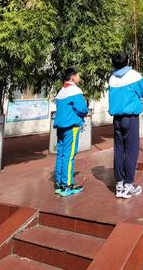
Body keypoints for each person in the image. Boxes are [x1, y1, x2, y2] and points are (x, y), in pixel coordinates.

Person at [108, 52, 143, 199]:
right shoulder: (134, 75)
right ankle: (128, 186)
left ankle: (119, 185)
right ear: (128, 61)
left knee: (119, 150)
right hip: (130, 118)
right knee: (131, 151)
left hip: (117, 119)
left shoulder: (111, 78)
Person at [54, 67, 89, 197]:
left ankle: (59, 184)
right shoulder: (75, 90)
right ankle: (68, 185)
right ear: (73, 77)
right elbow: (82, 109)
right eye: (78, 75)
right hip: (71, 126)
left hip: (60, 127)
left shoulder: (61, 91)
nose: (79, 77)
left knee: (61, 155)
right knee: (69, 156)